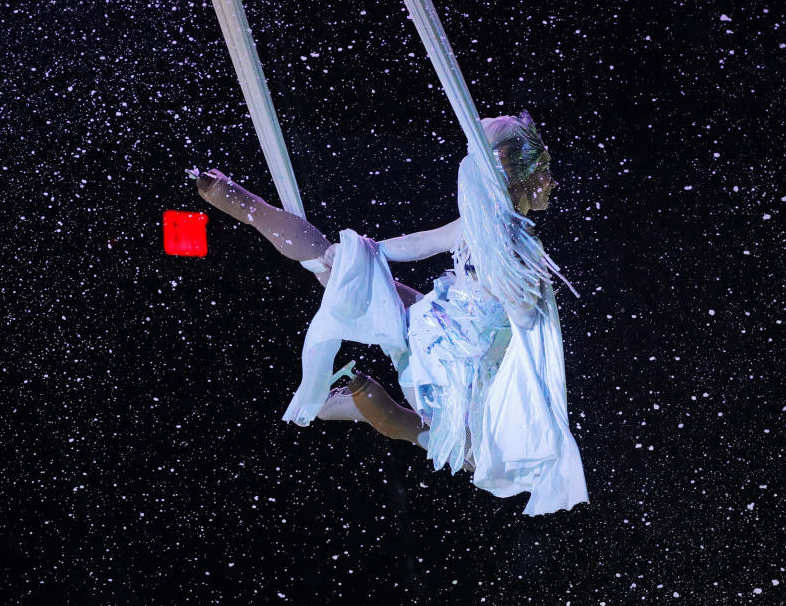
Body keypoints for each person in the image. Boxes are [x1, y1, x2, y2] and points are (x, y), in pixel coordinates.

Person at [189, 112, 588, 514]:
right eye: (545, 170)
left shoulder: (484, 225)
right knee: (473, 456)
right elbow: (511, 309)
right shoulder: (503, 236)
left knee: (334, 270)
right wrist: (366, 251)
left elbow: (419, 245)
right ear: (519, 178)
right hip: (445, 363)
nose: (552, 182)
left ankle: (231, 196)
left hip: (438, 331)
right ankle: (353, 399)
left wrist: (366, 252)